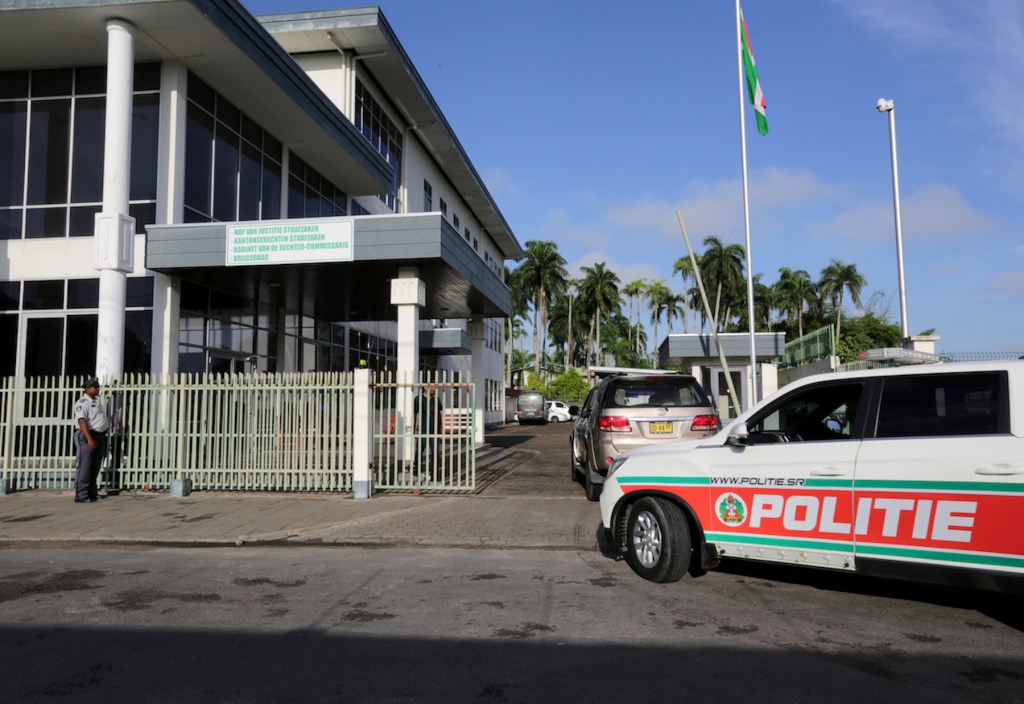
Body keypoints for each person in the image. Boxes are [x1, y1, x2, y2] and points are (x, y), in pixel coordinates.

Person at [73, 378, 110, 503]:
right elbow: (81, 421)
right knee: (85, 466)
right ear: (87, 389)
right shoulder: (82, 403)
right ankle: (81, 495)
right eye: (95, 387)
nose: (97, 389)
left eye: (97, 386)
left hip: (99, 436)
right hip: (87, 436)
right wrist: (89, 438)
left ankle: (92, 492)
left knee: (95, 466)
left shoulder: (96, 401)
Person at [413, 384, 444, 480]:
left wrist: (441, 429)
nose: (434, 389)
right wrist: (415, 428)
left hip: (434, 430)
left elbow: (439, 415)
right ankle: (417, 471)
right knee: (419, 451)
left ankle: (434, 473)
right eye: (432, 387)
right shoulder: (418, 399)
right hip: (422, 429)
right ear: (425, 387)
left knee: (435, 453)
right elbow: (415, 415)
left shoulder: (436, 399)